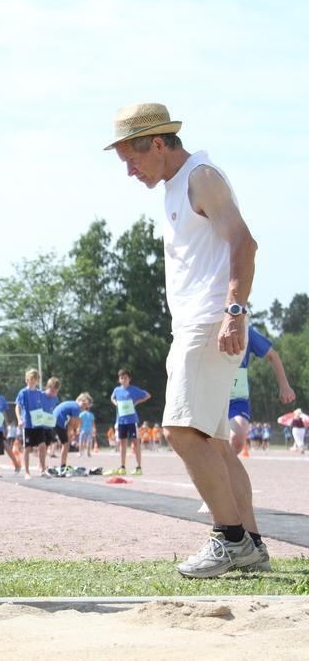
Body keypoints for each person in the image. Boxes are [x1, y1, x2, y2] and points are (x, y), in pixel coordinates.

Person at [108, 102, 264, 577]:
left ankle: (229, 540)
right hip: (197, 322)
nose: (130, 171)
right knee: (214, 442)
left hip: (209, 320)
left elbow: (244, 243)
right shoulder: (177, 186)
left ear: (158, 143)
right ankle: (252, 544)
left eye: (133, 159)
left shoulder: (201, 177)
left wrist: (234, 312)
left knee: (179, 430)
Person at [226, 325, 296, 455]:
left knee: (237, 438)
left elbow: (272, 355)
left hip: (236, 397)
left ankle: (221, 465)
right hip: (209, 396)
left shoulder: (246, 330)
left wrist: (284, 386)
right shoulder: (204, 324)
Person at [109, 369, 151, 476]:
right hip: (121, 421)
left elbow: (147, 395)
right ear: (119, 379)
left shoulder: (134, 389)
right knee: (122, 443)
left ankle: (138, 467)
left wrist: (137, 402)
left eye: (126, 378)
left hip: (132, 420)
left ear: (129, 379)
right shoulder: (117, 390)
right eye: (122, 378)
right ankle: (122, 467)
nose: (124, 380)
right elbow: (112, 398)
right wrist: (115, 403)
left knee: (135, 443)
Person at [15, 369, 50, 479]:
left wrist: (47, 418)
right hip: (28, 425)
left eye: (35, 379)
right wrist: (19, 419)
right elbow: (17, 406)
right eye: (31, 379)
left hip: (39, 424)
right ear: (27, 380)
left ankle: (43, 470)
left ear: (37, 380)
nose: (33, 381)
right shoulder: (23, 392)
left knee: (43, 446)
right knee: (27, 448)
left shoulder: (40, 393)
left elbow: (43, 408)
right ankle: (26, 472)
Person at [52, 398, 82, 475]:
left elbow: (74, 422)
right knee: (65, 444)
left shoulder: (72, 404)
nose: (85, 408)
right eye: (86, 406)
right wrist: (70, 435)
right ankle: (63, 466)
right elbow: (71, 424)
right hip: (58, 422)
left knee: (46, 443)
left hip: (52, 419)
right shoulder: (76, 407)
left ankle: (41, 465)